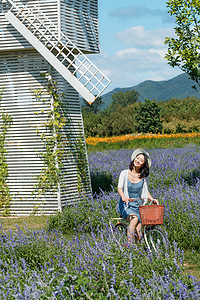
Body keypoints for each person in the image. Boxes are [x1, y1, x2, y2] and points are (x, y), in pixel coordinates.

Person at [118, 148, 158, 245]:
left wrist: (152, 199)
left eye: (141, 161)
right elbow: (119, 188)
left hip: (138, 206)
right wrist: (123, 196)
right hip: (126, 205)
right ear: (134, 158)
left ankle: (136, 251)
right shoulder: (124, 173)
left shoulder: (143, 177)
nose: (138, 161)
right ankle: (129, 247)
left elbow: (145, 191)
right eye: (137, 158)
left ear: (143, 165)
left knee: (138, 232)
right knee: (134, 219)